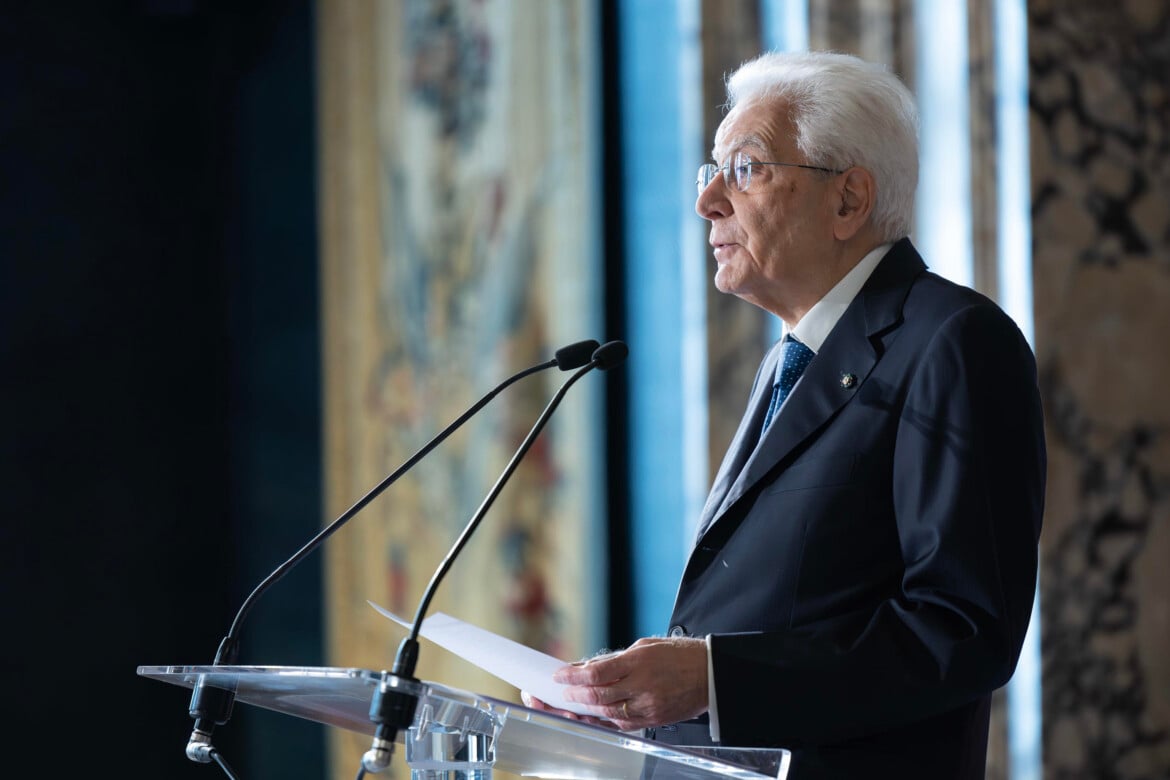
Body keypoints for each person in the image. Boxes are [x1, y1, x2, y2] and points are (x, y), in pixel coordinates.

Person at [523, 50, 1046, 779]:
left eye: (745, 168)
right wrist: (628, 702)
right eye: (712, 172)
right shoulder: (787, 361)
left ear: (848, 200)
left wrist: (712, 679)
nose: (708, 201)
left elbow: (960, 629)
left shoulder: (951, 340)